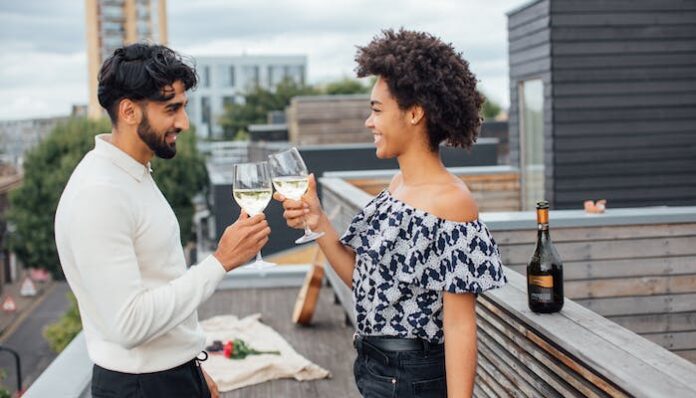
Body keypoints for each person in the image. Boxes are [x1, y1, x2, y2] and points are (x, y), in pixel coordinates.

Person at [275, 29, 507, 397]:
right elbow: (366, 284)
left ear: (415, 113)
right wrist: (317, 220)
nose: (369, 122)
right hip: (373, 366)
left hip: (412, 379)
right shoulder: (398, 185)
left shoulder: (452, 202)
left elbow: (460, 326)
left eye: (377, 110)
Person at [54, 43, 270, 397]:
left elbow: (159, 279)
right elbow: (129, 324)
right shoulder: (100, 193)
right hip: (143, 387)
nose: (183, 123)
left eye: (183, 107)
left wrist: (191, 367)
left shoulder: (131, 174)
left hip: (169, 376)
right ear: (128, 111)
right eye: (172, 109)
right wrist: (221, 261)